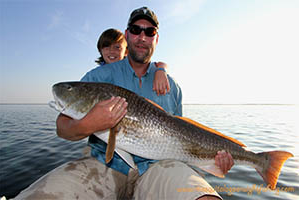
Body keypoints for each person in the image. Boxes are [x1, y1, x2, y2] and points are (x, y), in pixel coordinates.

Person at [14, 7, 233, 200]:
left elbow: (186, 135)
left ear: (157, 39)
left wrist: (215, 161)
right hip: (102, 166)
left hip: (159, 168)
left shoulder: (172, 86)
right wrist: (90, 124)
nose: (142, 36)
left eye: (150, 32)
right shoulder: (98, 76)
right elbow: (62, 128)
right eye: (136, 30)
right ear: (127, 35)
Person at [95, 28, 170, 96]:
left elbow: (160, 64)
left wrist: (161, 70)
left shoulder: (132, 70)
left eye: (117, 47)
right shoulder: (95, 76)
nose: (112, 51)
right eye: (106, 47)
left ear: (126, 51)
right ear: (100, 50)